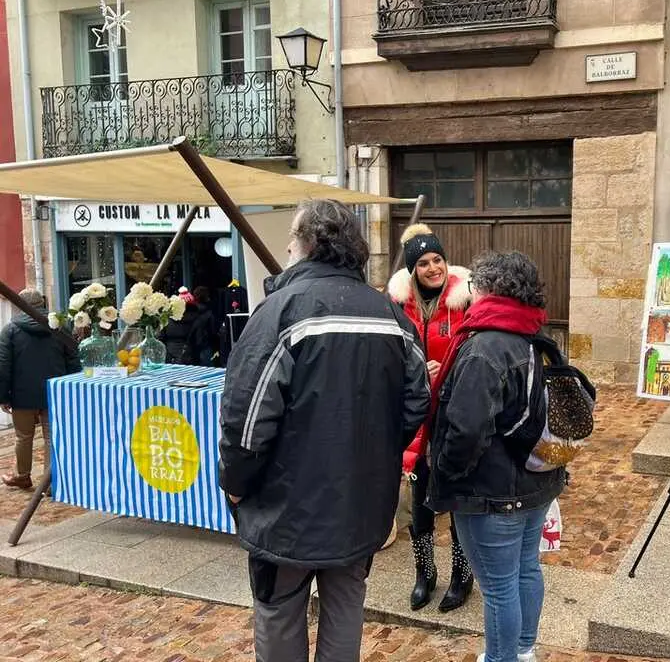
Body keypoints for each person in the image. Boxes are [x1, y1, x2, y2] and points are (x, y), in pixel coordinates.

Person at [218, 200, 430, 662]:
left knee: (280, 612)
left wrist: (234, 482)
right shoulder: (390, 315)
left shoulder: (280, 312)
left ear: (310, 243)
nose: (287, 249)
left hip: (285, 508)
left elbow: (245, 418)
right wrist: (375, 451)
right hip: (360, 502)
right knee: (345, 608)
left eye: (291, 239)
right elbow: (417, 400)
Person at [427, 252, 565, 662]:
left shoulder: (485, 346)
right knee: (525, 570)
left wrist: (446, 473)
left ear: (486, 289)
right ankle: (524, 651)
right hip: (536, 481)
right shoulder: (535, 335)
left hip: (492, 494)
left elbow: (466, 430)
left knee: (500, 587)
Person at [388, 223, 474, 613]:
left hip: (453, 412)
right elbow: (389, 356)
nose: (433, 268)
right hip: (416, 415)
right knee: (420, 497)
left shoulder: (464, 301)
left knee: (457, 497)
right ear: (413, 269)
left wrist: (448, 371)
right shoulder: (398, 307)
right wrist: (416, 373)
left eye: (437, 259)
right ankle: (424, 572)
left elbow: (476, 352)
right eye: (423, 263)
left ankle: (462, 574)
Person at [0, 289, 81, 489]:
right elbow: (73, 358)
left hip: (22, 393)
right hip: (55, 391)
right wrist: (72, 389)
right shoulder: (59, 327)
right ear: (42, 303)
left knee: (23, 436)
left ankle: (22, 475)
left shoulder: (10, 330)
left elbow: (3, 365)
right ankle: (50, 483)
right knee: (51, 437)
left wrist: (3, 396)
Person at [161, 287, 200, 364]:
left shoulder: (168, 319)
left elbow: (161, 337)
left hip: (169, 354)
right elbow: (199, 339)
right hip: (190, 355)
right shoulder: (197, 319)